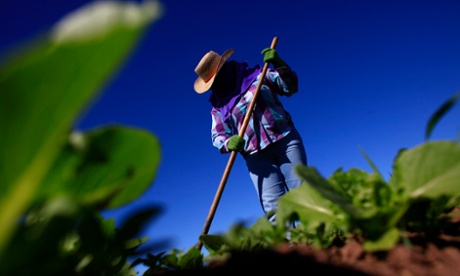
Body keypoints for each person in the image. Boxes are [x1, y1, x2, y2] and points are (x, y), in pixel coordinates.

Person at [193, 47, 307, 224]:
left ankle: (319, 238)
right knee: (273, 206)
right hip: (256, 157)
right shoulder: (218, 107)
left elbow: (289, 88)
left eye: (216, 79)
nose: (216, 86)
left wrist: (279, 63)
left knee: (301, 189)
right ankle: (291, 247)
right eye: (212, 84)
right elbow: (218, 135)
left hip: (284, 139)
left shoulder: (257, 76)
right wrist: (228, 142)